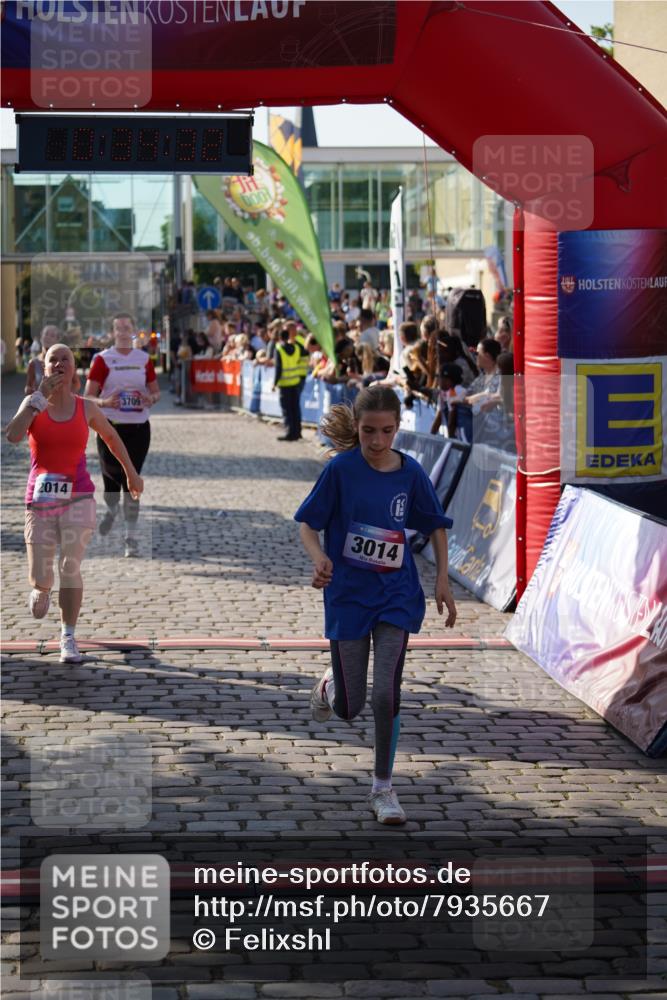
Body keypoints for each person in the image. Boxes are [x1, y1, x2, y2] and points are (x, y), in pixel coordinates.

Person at [295, 385, 457, 825]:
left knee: (385, 692)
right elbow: (309, 524)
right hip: (348, 595)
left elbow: (436, 525)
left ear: (398, 429)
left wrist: (441, 578)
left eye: (387, 431)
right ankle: (331, 686)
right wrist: (320, 557)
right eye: (369, 431)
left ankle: (383, 789)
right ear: (358, 428)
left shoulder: (410, 473)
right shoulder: (341, 470)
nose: (377, 441)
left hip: (396, 596)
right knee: (351, 707)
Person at [6, 343, 143, 663]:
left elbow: (111, 437)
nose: (59, 363)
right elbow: (12, 435)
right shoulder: (33, 403)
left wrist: (131, 473)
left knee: (70, 566)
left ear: (73, 369)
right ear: (44, 366)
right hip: (39, 500)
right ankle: (41, 588)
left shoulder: (86, 407)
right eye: (53, 359)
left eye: (65, 358)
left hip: (79, 495)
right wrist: (37, 398)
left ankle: (68, 636)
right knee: (42, 575)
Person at [84, 313, 159, 557]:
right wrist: (105, 401)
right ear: (113, 332)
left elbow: (155, 392)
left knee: (132, 480)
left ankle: (131, 537)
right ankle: (112, 509)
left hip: (138, 428)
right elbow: (88, 397)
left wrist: (150, 398)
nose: (124, 332)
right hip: (109, 427)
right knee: (111, 482)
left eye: (128, 327)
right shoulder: (103, 360)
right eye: (119, 328)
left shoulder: (144, 359)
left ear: (134, 330)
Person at [273, 327, 302, 441]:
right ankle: (297, 432)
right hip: (295, 382)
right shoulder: (296, 348)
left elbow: (278, 368)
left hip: (284, 384)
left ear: (280, 337)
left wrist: (274, 383)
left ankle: (289, 433)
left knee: (287, 410)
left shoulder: (279, 349)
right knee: (295, 408)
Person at [25, 325, 60, 395]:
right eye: (46, 334)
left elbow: (76, 383)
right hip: (41, 404)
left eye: (52, 335)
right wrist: (34, 393)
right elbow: (28, 387)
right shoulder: (33, 363)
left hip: (59, 405)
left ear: (57, 340)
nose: (48, 337)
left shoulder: (62, 361)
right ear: (41, 336)